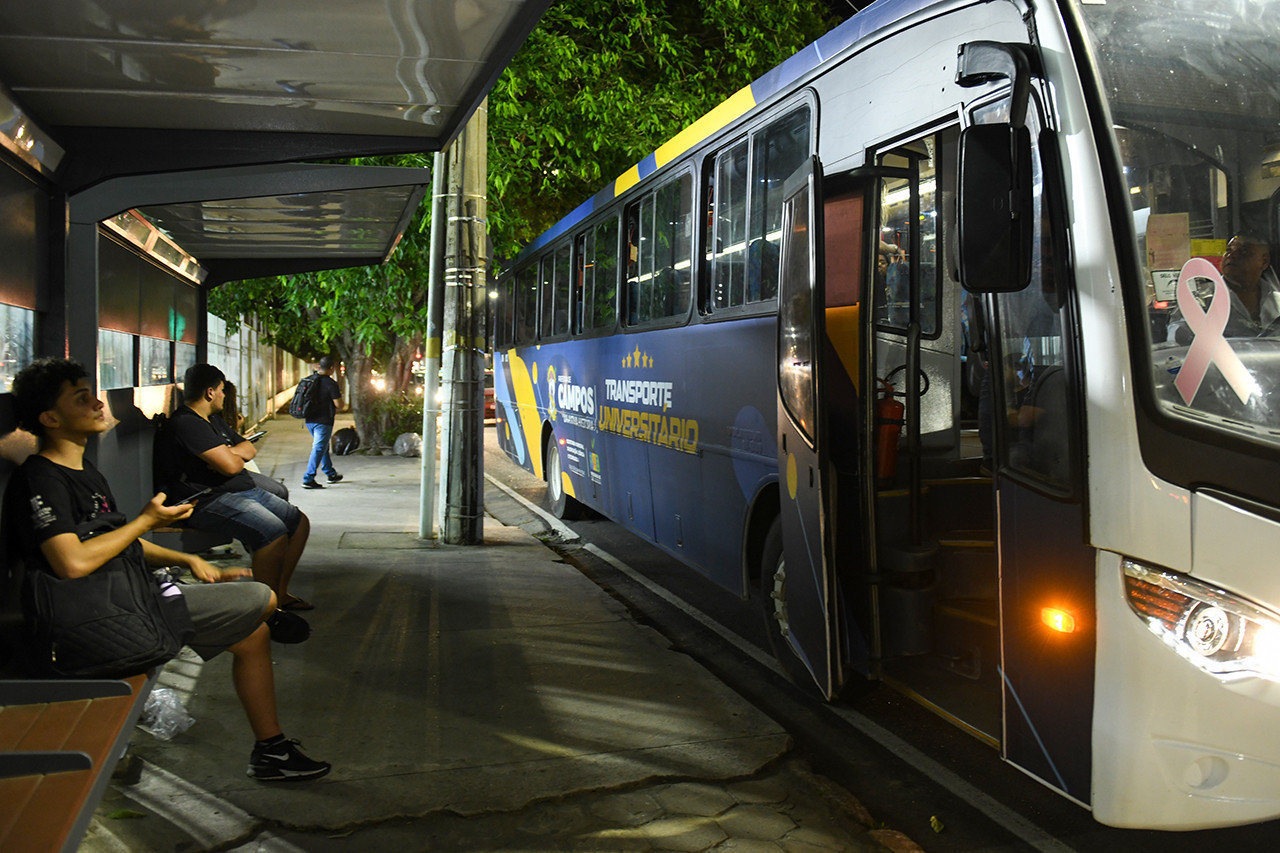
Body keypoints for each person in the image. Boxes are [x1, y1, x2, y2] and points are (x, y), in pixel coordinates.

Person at [3, 358, 329, 781]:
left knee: (252, 634)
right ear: (50, 418)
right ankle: (271, 616)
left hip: (123, 597)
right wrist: (146, 521)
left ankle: (271, 751)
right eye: (81, 398)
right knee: (260, 598)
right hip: (91, 620)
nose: (97, 403)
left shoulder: (82, 470)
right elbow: (72, 561)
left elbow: (112, 539)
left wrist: (187, 560)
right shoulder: (42, 480)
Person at [156, 363, 315, 614]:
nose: (224, 395)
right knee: (272, 532)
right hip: (208, 499)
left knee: (299, 522)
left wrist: (228, 454)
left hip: (241, 490)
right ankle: (266, 609)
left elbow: (248, 449)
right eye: (221, 390)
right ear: (210, 392)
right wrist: (230, 456)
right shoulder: (187, 423)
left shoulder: (213, 420)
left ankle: (279, 595)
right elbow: (231, 467)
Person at [1169, 233, 1280, 341]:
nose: (1232, 255)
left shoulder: (1277, 300)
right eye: (1229, 250)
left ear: (1264, 261)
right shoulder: (1201, 300)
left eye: (1244, 252)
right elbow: (1176, 334)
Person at [221, 380, 289, 502]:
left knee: (279, 490)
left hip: (237, 465)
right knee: (278, 491)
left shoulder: (216, 420)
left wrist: (240, 436)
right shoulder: (208, 421)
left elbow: (245, 449)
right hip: (231, 473)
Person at [302, 356, 344, 490]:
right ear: (332, 368)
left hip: (309, 420)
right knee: (319, 448)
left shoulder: (309, 380)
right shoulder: (330, 383)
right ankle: (308, 479)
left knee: (323, 446)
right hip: (323, 421)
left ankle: (330, 473)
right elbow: (339, 404)